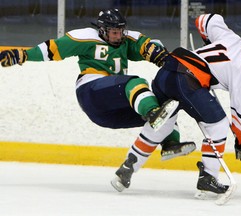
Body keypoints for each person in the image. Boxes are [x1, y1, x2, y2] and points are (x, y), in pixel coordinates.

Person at [112, 13, 241, 194]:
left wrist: (208, 40)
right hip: (188, 81)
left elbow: (205, 19)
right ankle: (208, 176)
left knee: (163, 125)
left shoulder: (233, 39)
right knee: (219, 125)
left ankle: (126, 169)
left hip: (167, 69)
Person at [0, 9, 195, 160]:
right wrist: (22, 55)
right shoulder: (86, 37)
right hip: (91, 92)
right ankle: (152, 114)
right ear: (102, 30)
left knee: (166, 108)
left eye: (120, 31)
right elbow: (53, 48)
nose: (118, 36)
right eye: (114, 32)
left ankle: (169, 145)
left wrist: (159, 53)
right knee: (136, 84)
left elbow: (144, 44)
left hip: (108, 113)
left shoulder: (125, 39)